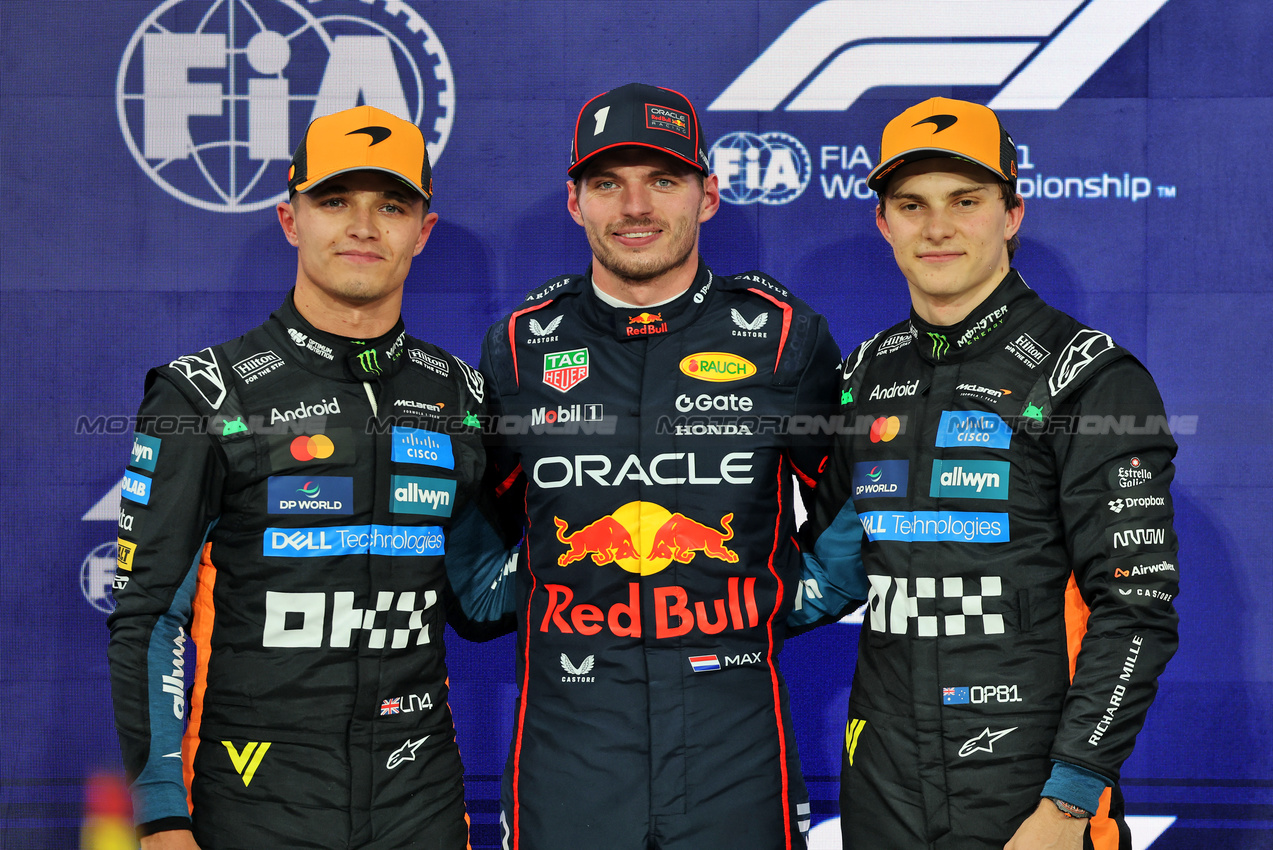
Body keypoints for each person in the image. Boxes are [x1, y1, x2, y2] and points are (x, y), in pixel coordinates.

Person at [107, 105, 511, 849]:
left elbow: (483, 598)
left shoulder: (460, 394)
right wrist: (162, 816)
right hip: (252, 800)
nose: (363, 227)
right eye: (334, 201)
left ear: (422, 232)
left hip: (419, 801)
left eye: (390, 205)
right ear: (290, 219)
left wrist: (594, 526)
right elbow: (150, 617)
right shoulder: (204, 394)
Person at [796, 97, 1180, 849]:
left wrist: (1068, 801)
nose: (936, 227)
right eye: (911, 205)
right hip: (881, 785)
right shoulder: (862, 376)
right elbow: (830, 567)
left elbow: (1135, 610)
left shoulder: (1088, 376)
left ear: (1011, 213)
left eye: (964, 201)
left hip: (1030, 789)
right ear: (883, 223)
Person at [478, 83, 841, 850]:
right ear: (574, 201)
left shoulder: (785, 340)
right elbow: (477, 531)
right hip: (568, 753)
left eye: (663, 181)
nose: (635, 207)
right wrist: (528, 595)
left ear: (707, 196)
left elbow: (853, 512)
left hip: (734, 751)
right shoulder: (517, 347)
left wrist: (777, 600)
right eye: (608, 184)